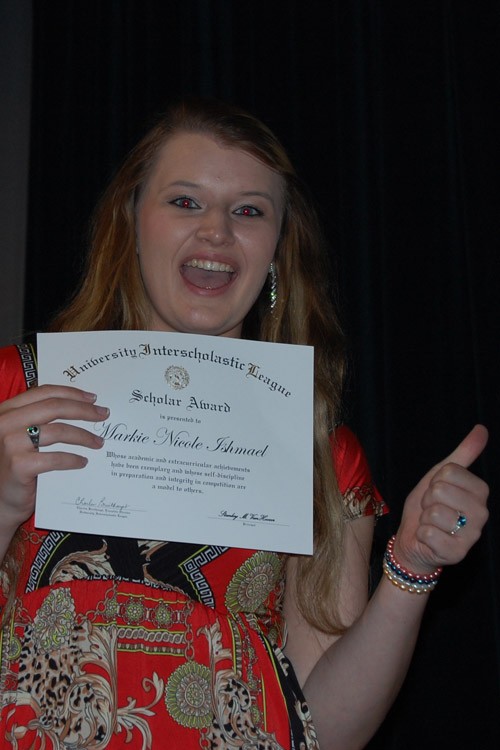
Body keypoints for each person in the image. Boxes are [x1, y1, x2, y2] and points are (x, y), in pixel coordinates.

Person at [0, 97, 489, 750]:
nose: (216, 231)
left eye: (249, 211)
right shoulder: (19, 394)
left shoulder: (320, 456)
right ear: (132, 223)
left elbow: (329, 730)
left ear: (278, 250)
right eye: (185, 201)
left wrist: (412, 568)